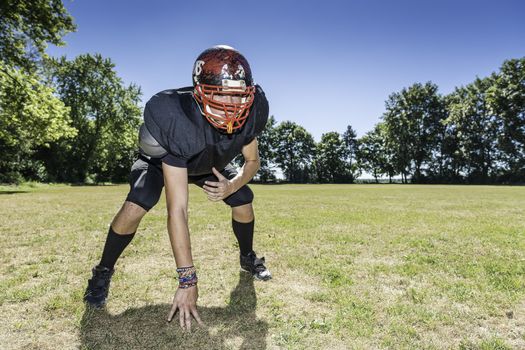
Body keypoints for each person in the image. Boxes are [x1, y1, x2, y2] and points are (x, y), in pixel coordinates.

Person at [83, 45, 271, 331]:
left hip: (209, 163)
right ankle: (103, 270)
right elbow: (178, 210)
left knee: (243, 199)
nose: (231, 104)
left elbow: (252, 161)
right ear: (200, 92)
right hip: (165, 162)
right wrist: (187, 279)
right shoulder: (176, 118)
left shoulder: (252, 110)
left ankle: (247, 257)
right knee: (137, 203)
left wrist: (231, 185)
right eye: (221, 94)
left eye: (238, 94)